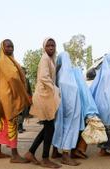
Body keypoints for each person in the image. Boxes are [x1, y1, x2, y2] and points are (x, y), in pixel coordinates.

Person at [0, 39, 31, 163]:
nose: (10, 49)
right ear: (2, 48)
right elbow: (14, 78)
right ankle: (14, 155)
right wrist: (23, 94)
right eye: (8, 46)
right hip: (9, 98)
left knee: (2, 124)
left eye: (12, 46)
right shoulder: (5, 62)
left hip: (3, 98)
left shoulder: (2, 61)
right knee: (12, 124)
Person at [25, 38, 61, 168]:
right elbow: (43, 77)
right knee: (50, 127)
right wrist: (55, 89)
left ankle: (31, 152)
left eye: (53, 45)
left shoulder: (51, 59)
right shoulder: (45, 59)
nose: (51, 47)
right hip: (43, 96)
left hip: (46, 96)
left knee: (48, 127)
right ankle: (45, 158)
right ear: (44, 47)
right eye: (48, 45)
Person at [52, 52, 81, 166]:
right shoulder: (70, 77)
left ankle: (54, 151)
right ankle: (65, 155)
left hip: (58, 107)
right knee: (69, 128)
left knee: (57, 127)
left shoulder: (57, 75)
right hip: (69, 109)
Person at [71, 68, 100, 159]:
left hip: (75, 113)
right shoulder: (82, 85)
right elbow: (87, 100)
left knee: (77, 131)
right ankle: (77, 150)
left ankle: (75, 150)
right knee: (82, 131)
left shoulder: (72, 84)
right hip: (83, 112)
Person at [18, 67, 32, 133]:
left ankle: (21, 126)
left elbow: (29, 90)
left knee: (24, 113)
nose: (23, 73)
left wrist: (30, 98)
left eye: (24, 72)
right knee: (20, 114)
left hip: (25, 99)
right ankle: (19, 127)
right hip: (19, 99)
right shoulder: (18, 80)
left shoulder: (27, 80)